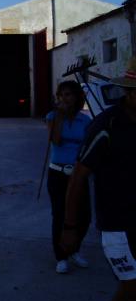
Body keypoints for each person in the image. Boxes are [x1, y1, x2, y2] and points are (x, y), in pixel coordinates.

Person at [61, 57, 136, 301]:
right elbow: (78, 177)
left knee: (128, 292)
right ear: (129, 92)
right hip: (118, 228)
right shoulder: (106, 126)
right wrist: (69, 227)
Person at [45, 81, 92, 274]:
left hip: (78, 174)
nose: (64, 98)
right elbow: (55, 140)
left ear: (76, 97)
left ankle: (74, 249)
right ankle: (61, 256)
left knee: (85, 216)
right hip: (57, 172)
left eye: (68, 94)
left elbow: (88, 147)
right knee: (59, 215)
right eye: (61, 95)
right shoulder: (52, 117)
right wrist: (60, 116)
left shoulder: (85, 120)